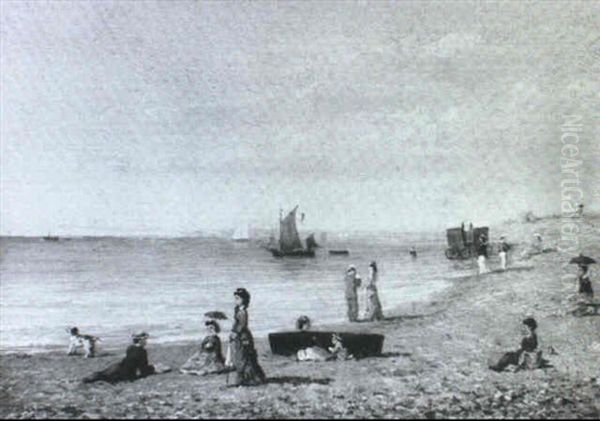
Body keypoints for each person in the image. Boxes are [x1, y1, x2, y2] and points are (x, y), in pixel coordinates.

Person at [83, 332, 158, 384]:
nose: (146, 342)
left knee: (103, 374)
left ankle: (88, 379)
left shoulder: (130, 347)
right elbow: (143, 368)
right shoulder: (142, 351)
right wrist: (153, 369)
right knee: (108, 378)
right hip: (127, 372)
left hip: (119, 365)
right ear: (141, 340)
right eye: (145, 340)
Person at [228, 288, 266, 387]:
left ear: (243, 300)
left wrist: (235, 333)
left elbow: (242, 325)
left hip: (243, 337)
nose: (235, 301)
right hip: (238, 336)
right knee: (239, 357)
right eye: (235, 298)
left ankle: (249, 378)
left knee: (244, 357)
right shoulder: (238, 310)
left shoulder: (243, 312)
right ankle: (244, 378)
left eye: (237, 298)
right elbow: (236, 324)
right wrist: (232, 332)